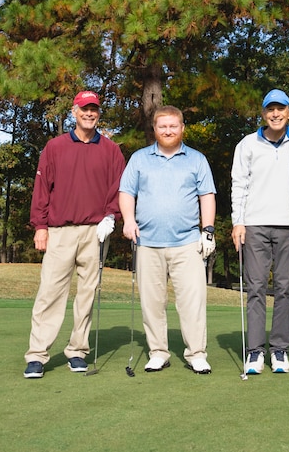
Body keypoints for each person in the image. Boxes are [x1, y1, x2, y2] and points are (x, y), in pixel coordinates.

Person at [23, 90, 126, 379]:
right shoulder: (55, 147)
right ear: (74, 111)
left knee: (87, 295)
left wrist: (111, 216)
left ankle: (77, 351)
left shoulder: (110, 149)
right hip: (59, 231)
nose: (89, 114)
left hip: (95, 231)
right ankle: (37, 355)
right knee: (50, 293)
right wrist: (40, 226)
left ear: (98, 113)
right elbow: (42, 190)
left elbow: (118, 189)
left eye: (93, 109)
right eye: (84, 109)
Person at [119, 105, 217, 375]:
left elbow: (206, 196)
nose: (168, 130)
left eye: (173, 126)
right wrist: (128, 220)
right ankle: (158, 352)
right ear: (154, 129)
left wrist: (208, 230)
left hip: (187, 243)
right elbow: (126, 192)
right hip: (148, 242)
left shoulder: (196, 159)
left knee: (192, 302)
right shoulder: (139, 159)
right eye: (162, 126)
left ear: (182, 128)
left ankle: (196, 353)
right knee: (152, 302)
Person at [231, 89, 289, 375]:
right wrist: (238, 222)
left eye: (280, 109)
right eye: (270, 109)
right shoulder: (247, 144)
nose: (275, 114)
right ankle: (255, 350)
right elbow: (239, 185)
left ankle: (279, 349)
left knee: (284, 288)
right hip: (254, 225)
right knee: (256, 288)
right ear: (263, 113)